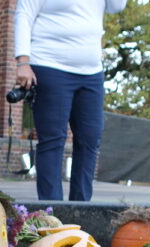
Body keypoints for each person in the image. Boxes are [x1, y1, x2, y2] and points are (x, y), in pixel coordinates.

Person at [13, 0, 127, 201]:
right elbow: (24, 14)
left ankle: (81, 209)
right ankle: (53, 214)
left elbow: (116, 6)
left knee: (90, 139)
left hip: (91, 71)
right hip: (50, 65)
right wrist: (23, 61)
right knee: (53, 140)